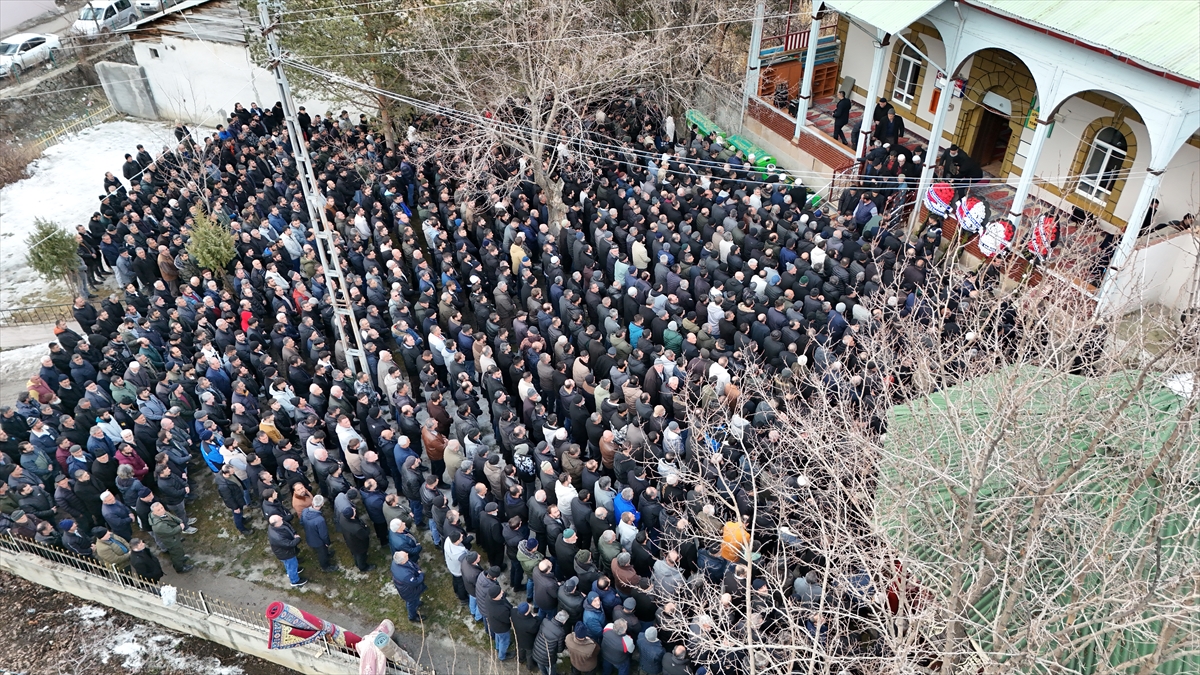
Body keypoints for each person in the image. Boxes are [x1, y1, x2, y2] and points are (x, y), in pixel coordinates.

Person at [149, 501, 191, 573]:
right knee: (176, 554)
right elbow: (171, 531)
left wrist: (180, 521)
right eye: (158, 510)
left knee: (179, 550)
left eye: (162, 507)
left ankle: (182, 559)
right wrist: (180, 527)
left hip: (174, 537)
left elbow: (171, 516)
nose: (162, 510)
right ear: (154, 512)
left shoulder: (161, 514)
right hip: (171, 540)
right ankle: (180, 568)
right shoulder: (159, 525)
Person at [268, 513, 307, 587]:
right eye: (280, 518)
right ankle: (294, 581)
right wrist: (297, 539)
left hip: (283, 552)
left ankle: (291, 572)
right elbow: (289, 544)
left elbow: (288, 526)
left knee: (289, 564)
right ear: (276, 523)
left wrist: (293, 533)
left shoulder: (275, 526)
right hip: (286, 554)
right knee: (292, 565)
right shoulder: (278, 537)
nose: (281, 517)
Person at [301, 495, 338, 572]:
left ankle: (327, 554)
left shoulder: (305, 511)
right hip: (318, 542)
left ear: (312, 502)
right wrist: (327, 542)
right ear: (322, 504)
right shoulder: (320, 520)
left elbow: (301, 522)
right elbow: (323, 534)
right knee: (322, 554)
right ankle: (325, 567)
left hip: (309, 536)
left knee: (323, 551)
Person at [390, 550, 426, 622]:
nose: (407, 553)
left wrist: (417, 569)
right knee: (411, 603)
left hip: (409, 588)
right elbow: (416, 582)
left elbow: (411, 564)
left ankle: (417, 603)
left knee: (415, 599)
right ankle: (412, 617)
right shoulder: (405, 575)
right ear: (403, 561)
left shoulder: (396, 562)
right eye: (405, 555)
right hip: (409, 592)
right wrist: (421, 574)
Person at [533, 610, 569, 675]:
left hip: (536, 651)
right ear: (564, 622)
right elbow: (560, 649)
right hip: (548, 658)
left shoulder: (545, 621)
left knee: (542, 668)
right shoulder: (561, 632)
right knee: (551, 670)